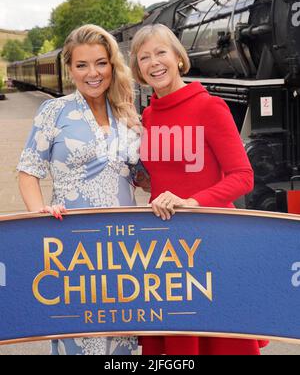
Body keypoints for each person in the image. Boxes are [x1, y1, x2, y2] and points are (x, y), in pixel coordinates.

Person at [130, 23, 268, 355]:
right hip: (164, 241)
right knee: (176, 345)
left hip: (211, 236)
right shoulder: (147, 116)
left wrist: (192, 201)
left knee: (217, 338)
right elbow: (162, 174)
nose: (154, 63)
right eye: (144, 57)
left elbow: (242, 177)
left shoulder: (210, 107)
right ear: (137, 68)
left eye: (161, 52)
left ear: (179, 57)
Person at [17, 24, 141, 356]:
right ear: (70, 69)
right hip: (73, 246)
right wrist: (37, 212)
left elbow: (142, 175)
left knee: (122, 340)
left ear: (112, 64)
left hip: (125, 248)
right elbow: (28, 172)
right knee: (78, 333)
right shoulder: (54, 112)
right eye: (82, 65)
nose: (93, 73)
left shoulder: (126, 112)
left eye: (101, 63)